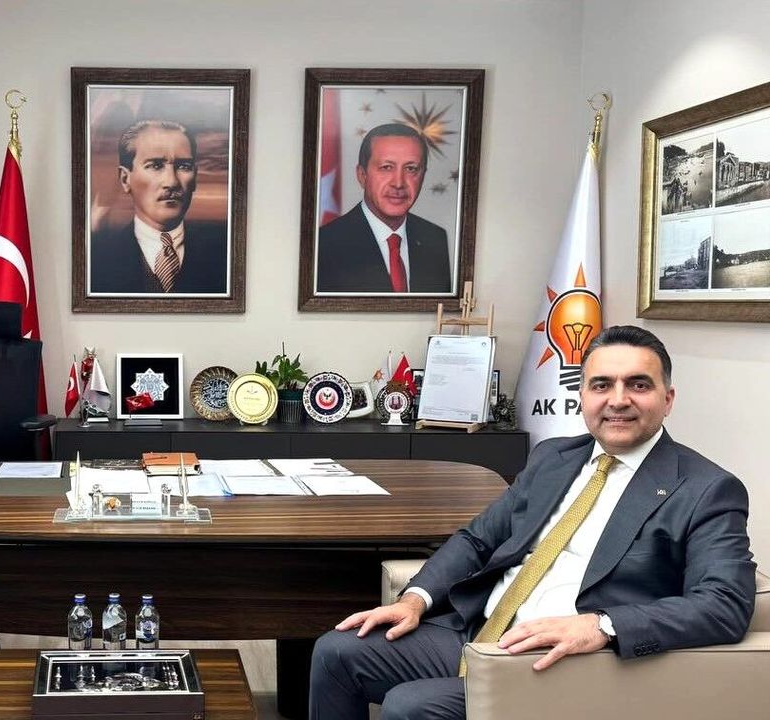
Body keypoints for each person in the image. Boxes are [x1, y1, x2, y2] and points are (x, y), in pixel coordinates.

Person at [310, 325, 756, 720]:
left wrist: (602, 625)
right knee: (336, 652)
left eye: (638, 385)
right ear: (582, 396)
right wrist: (415, 600)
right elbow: (477, 539)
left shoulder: (706, 488)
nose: (618, 400)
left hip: (567, 660)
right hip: (482, 630)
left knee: (411, 704)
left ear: (667, 399)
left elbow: (724, 605)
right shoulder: (553, 457)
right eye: (601, 385)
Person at [89, 120, 228, 294]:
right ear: (125, 179)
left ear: (195, 178)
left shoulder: (223, 253)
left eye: (184, 166)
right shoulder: (97, 258)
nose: (172, 182)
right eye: (155, 165)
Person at [316, 123, 452, 293]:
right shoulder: (324, 245)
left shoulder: (435, 239)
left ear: (423, 176)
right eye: (386, 167)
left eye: (411, 169)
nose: (398, 183)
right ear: (362, 175)